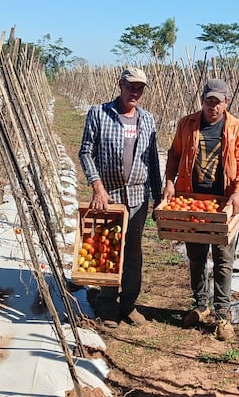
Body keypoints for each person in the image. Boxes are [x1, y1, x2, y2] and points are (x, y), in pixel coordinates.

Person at [163, 78, 239, 340]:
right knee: (196, 257)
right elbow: (175, 155)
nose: (212, 106)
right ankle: (200, 306)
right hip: (193, 200)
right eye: (208, 101)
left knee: (224, 260)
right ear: (202, 100)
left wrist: (237, 192)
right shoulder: (187, 124)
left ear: (227, 102)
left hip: (223, 203)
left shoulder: (237, 128)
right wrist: (170, 182)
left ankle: (222, 315)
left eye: (218, 102)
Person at [79, 66, 162, 328]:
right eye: (130, 87)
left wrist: (158, 196)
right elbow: (85, 152)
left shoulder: (147, 119)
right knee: (108, 251)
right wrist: (97, 187)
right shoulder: (99, 114)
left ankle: (128, 304)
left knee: (134, 252)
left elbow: (152, 160)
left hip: (138, 195)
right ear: (120, 85)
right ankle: (106, 304)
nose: (135, 92)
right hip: (109, 196)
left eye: (139, 88)